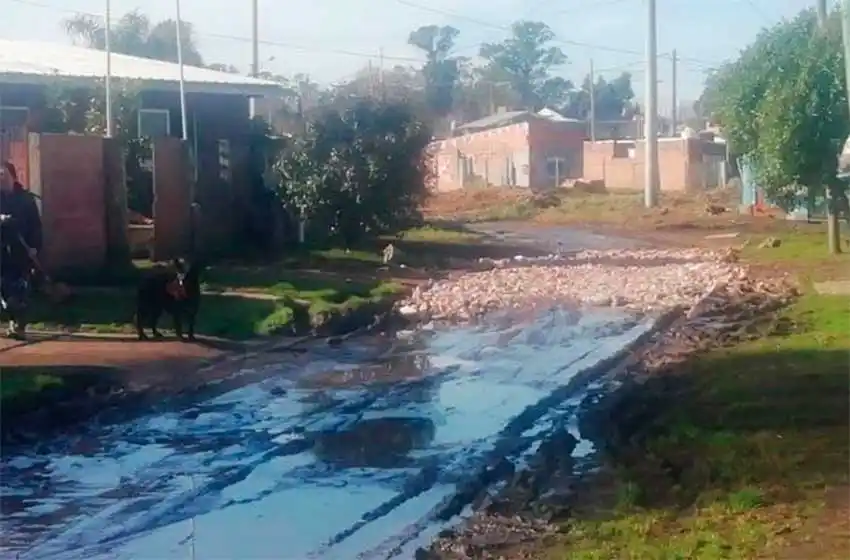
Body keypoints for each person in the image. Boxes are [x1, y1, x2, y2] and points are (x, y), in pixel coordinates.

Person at [0, 161, 43, 339]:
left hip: (21, 251)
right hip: (1, 251)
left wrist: (34, 247)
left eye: (3, 174)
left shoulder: (26, 199)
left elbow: (36, 226)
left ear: (12, 176)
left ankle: (19, 325)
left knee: (20, 289)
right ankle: (12, 318)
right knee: (4, 288)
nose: (0, 178)